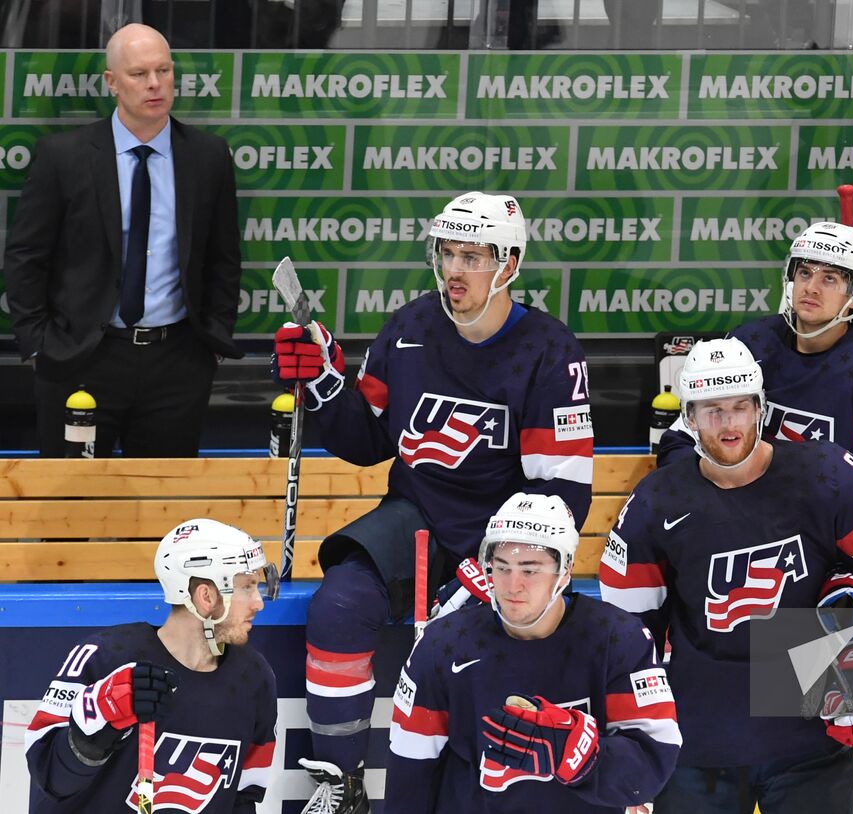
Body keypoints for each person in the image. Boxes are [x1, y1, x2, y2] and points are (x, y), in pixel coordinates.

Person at [273, 191, 593, 813]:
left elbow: (562, 495)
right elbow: (366, 440)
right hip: (415, 520)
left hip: (508, 531)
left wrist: (503, 565)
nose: (454, 270)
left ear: (510, 263)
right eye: (446, 253)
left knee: (481, 651)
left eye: (472, 256)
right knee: (337, 607)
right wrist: (321, 381)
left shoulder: (549, 351)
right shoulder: (410, 327)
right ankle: (339, 784)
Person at [602, 337, 853, 812]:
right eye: (712, 410)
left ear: (761, 408)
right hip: (698, 743)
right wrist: (635, 738)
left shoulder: (828, 476)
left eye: (739, 408)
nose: (728, 424)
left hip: (810, 740)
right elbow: (626, 634)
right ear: (688, 418)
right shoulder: (653, 503)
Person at [3, 23, 243, 458]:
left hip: (178, 362)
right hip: (80, 357)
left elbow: (224, 259)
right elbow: (26, 257)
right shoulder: (64, 156)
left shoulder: (208, 156)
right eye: (138, 74)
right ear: (112, 82)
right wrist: (39, 343)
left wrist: (213, 341)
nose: (155, 84)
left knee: (161, 508)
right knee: (68, 509)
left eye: (164, 71)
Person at [657, 221, 853, 560]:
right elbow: (680, 444)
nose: (812, 287)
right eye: (805, 273)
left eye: (830, 278)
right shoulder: (750, 344)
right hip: (778, 499)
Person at [384, 492, 680, 813]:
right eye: (502, 567)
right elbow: (410, 770)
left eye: (530, 570)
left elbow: (652, 765)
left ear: (564, 572)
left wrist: (581, 755)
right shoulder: (442, 643)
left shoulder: (620, 639)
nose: (513, 586)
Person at [25, 518, 279, 813]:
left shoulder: (254, 679)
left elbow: (242, 798)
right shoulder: (104, 657)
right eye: (247, 587)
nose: (258, 603)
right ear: (206, 596)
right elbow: (49, 777)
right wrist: (98, 722)